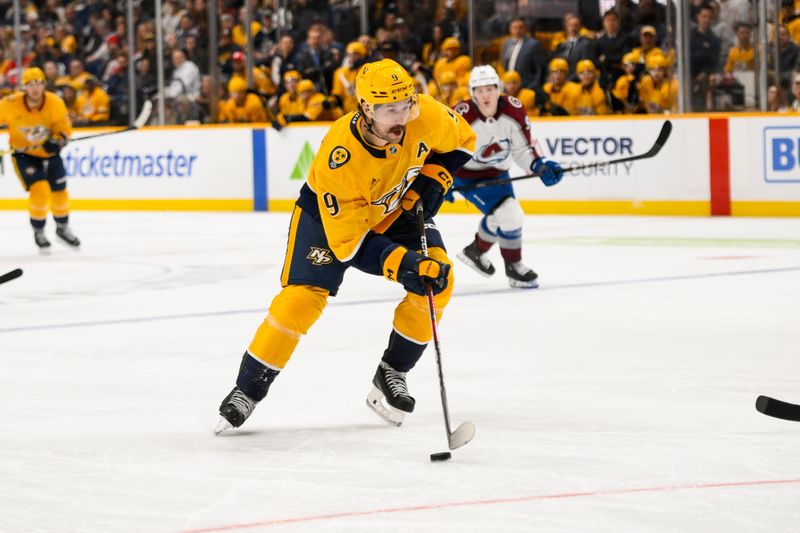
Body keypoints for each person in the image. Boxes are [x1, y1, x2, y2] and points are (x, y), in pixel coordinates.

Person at [216, 59, 476, 432]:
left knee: (439, 280)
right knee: (300, 301)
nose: (402, 118)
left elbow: (464, 139)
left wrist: (435, 178)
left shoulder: (425, 114)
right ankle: (247, 390)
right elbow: (350, 244)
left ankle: (391, 373)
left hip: (396, 204)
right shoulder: (341, 156)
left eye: (406, 106)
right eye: (390, 110)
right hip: (327, 221)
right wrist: (405, 266)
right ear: (366, 108)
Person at [450, 65, 564, 289]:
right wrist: (442, 181)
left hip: (499, 171)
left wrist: (538, 165)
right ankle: (514, 266)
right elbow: (445, 151)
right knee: (511, 213)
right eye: (479, 90)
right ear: (472, 93)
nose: (485, 95)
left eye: (490, 89)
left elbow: (523, 150)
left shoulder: (513, 110)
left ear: (498, 89)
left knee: (502, 215)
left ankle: (476, 250)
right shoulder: (462, 115)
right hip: (467, 175)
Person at [0, 67, 78, 251]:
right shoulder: (10, 103)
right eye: (30, 84)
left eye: (38, 83)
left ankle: (62, 228)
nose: (35, 88)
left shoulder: (55, 102)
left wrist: (56, 140)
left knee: (60, 193)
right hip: (23, 154)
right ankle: (39, 231)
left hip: (50, 154)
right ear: (24, 87)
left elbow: (64, 130)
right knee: (40, 191)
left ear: (44, 85)